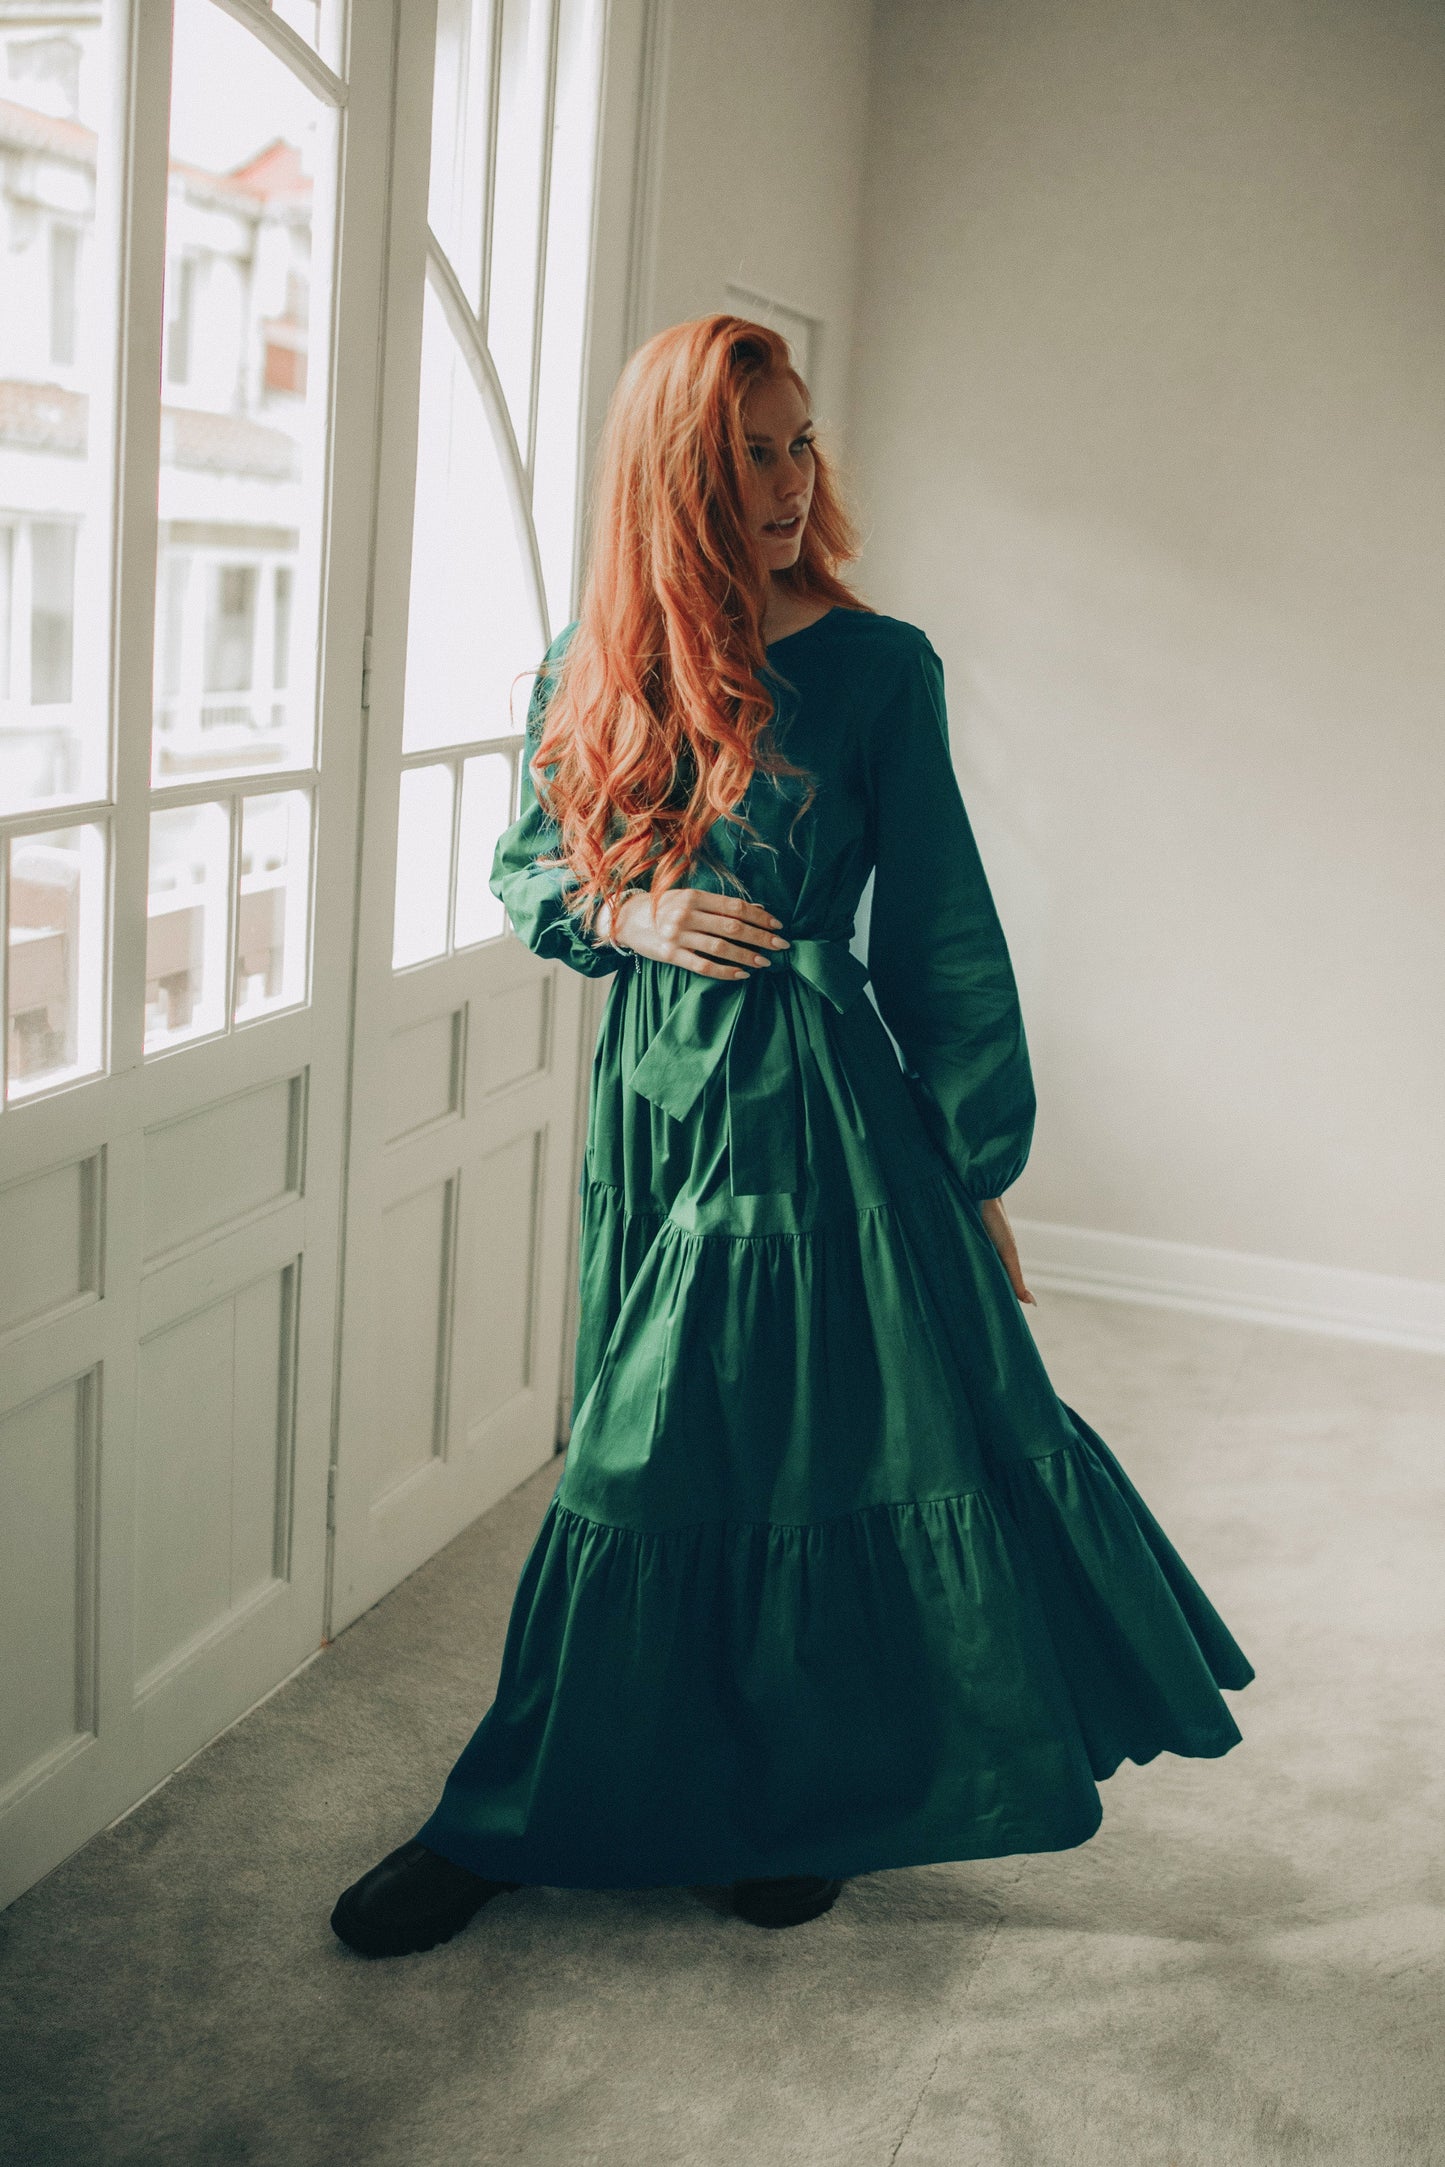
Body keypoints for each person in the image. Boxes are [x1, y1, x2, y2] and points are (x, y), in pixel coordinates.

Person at [331, 315, 1253, 1957]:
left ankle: (776, 1794)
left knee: (789, 1457)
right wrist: (636, 907)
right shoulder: (593, 655)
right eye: (749, 449)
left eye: (797, 443)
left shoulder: (879, 664)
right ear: (674, 470)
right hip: (657, 1109)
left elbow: (946, 929)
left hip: (817, 1113)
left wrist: (974, 1165)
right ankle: (527, 1807)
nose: (783, 478)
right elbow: (531, 873)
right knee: (655, 1455)